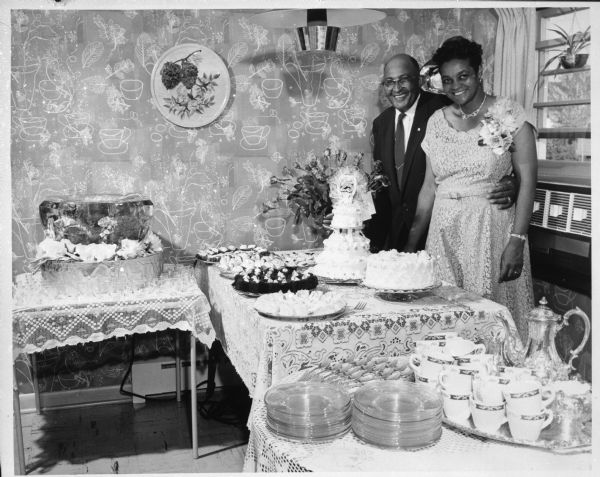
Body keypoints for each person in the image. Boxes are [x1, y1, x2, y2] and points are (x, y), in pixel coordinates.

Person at [404, 37, 536, 339]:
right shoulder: (437, 120)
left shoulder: (507, 114)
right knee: (446, 322)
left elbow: (527, 180)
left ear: (479, 72)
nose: (455, 86)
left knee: (490, 322)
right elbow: (428, 187)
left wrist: (517, 241)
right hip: (443, 233)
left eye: (463, 76)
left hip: (490, 230)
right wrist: (410, 248)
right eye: (448, 80)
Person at [360, 53, 516, 252]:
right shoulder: (381, 124)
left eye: (404, 80)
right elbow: (381, 185)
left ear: (419, 80)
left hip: (443, 231)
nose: (396, 88)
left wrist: (512, 180)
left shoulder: (445, 110)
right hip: (396, 238)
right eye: (389, 82)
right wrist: (351, 216)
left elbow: (484, 159)